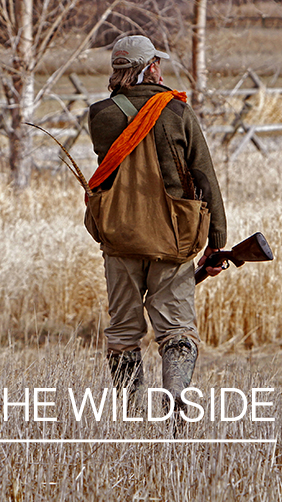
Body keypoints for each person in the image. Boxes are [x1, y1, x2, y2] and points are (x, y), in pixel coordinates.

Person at [87, 34, 227, 418]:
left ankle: (132, 414)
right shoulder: (177, 113)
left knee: (123, 333)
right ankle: (177, 398)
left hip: (120, 236)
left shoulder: (100, 115)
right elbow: (205, 176)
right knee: (178, 330)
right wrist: (216, 242)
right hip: (173, 237)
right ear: (151, 67)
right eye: (157, 63)